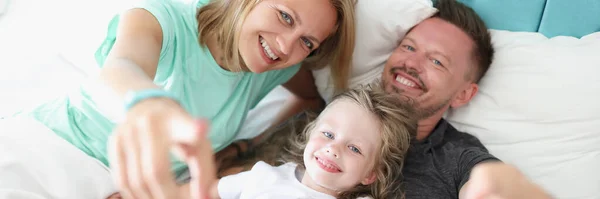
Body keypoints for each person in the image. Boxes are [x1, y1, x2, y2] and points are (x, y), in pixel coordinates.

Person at [0, 0, 356, 198]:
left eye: (307, 42)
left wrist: (244, 147)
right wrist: (151, 104)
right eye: (284, 16)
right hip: (53, 148)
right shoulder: (163, 19)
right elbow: (123, 65)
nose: (285, 45)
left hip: (131, 188)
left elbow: (313, 100)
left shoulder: (273, 69)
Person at [219, 0, 554, 198]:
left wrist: (497, 183)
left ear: (464, 93)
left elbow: (501, 186)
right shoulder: (332, 120)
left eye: (437, 61)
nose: (411, 63)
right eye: (408, 47)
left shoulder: (457, 160)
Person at [191, 82, 417, 199]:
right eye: (328, 135)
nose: (333, 149)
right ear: (310, 133)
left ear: (371, 174)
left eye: (354, 148)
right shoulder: (263, 175)